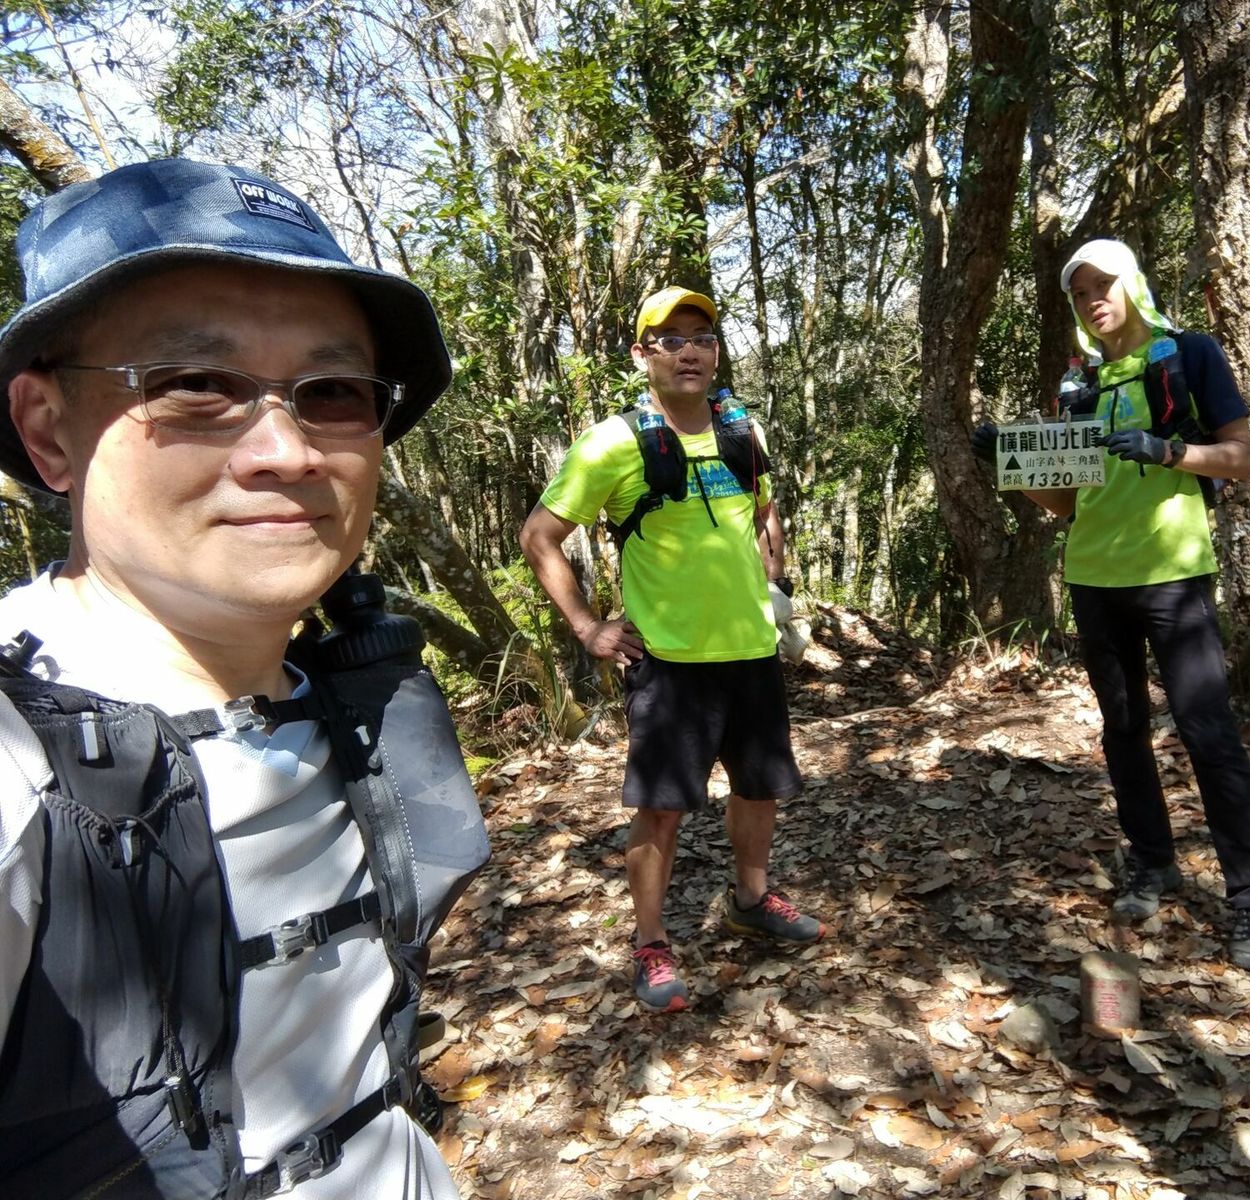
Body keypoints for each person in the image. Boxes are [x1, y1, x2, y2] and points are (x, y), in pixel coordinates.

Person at [0, 158, 489, 1197]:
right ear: (48, 431)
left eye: (334, 393)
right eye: (195, 383)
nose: (286, 451)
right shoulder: (18, 755)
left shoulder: (347, 691)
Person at [974, 238, 1250, 971]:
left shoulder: (1188, 354)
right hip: (1093, 577)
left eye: (1102, 284)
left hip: (1173, 574)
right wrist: (1012, 463)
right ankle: (1152, 861)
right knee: (1122, 729)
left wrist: (1170, 451)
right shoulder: (1078, 382)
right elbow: (1066, 504)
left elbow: (1243, 458)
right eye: (1079, 292)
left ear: (1132, 283)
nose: (1092, 300)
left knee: (1209, 735)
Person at [519, 285, 824, 1013]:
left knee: (759, 788)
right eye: (671, 339)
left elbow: (764, 510)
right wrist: (588, 627)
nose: (690, 351)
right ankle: (651, 943)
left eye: (703, 337)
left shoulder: (743, 428)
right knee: (660, 809)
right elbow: (540, 536)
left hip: (750, 651)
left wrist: (775, 583)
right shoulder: (613, 443)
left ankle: (751, 899)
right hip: (670, 663)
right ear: (642, 354)